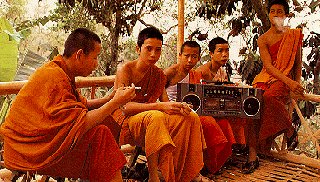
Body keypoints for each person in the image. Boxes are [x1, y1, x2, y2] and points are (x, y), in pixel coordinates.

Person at [0, 28, 136, 182]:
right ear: (79, 55)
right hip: (26, 150)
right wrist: (115, 102)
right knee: (101, 135)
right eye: (95, 58)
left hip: (35, 145)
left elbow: (78, 107)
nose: (96, 64)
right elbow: (79, 124)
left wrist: (108, 99)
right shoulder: (55, 77)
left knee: (105, 126)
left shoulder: (60, 71)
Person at [112, 26, 206, 182]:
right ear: (138, 48)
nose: (153, 54)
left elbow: (166, 103)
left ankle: (183, 174)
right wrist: (160, 107)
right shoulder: (125, 70)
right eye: (148, 49)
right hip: (127, 122)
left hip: (150, 119)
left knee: (191, 117)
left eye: (158, 50)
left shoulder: (157, 74)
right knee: (156, 116)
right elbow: (125, 108)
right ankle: (154, 177)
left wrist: (179, 107)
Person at [244, 0, 304, 174]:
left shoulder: (294, 35)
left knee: (269, 98)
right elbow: (268, 67)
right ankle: (252, 155)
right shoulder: (263, 39)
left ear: (286, 14)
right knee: (251, 106)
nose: (276, 14)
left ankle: (288, 129)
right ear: (269, 14)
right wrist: (289, 81)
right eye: (272, 11)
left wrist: (295, 83)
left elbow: (298, 63)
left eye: (280, 11)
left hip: (284, 80)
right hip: (266, 77)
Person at [164, 40, 238, 175]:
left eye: (194, 57)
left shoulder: (195, 74)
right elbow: (157, 91)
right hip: (173, 112)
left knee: (223, 123)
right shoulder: (170, 72)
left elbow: (201, 97)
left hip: (193, 111)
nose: (190, 60)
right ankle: (197, 166)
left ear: (198, 58)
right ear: (180, 55)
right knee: (208, 122)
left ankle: (211, 165)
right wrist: (168, 106)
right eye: (186, 56)